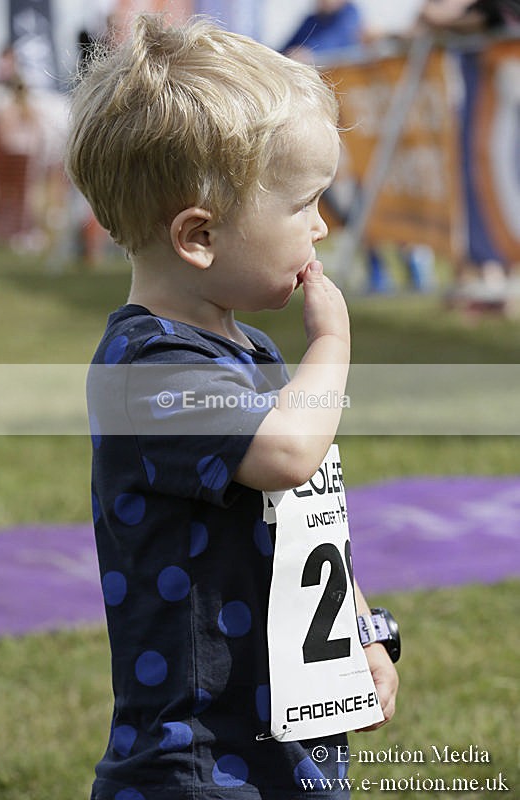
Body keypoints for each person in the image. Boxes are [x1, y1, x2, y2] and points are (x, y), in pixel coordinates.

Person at [65, 14, 399, 800]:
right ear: (200, 234)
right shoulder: (146, 369)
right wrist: (334, 345)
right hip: (198, 758)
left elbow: (305, 512)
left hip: (283, 728)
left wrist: (359, 630)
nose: (322, 225)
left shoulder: (248, 349)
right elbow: (287, 453)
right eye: (304, 204)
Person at [281, 0, 364, 64]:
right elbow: (287, 47)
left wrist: (309, 52)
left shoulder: (349, 14)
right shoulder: (311, 21)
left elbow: (335, 40)